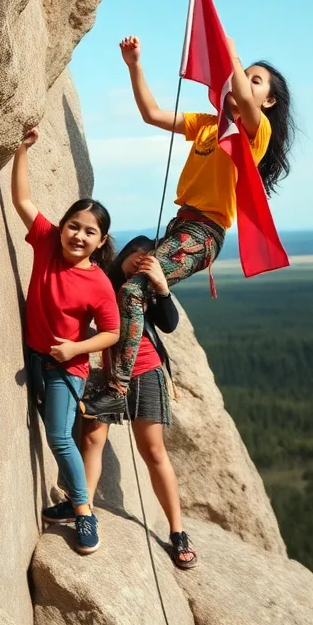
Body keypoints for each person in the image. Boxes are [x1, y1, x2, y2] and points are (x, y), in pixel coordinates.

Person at [11, 128, 120, 555]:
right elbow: (22, 200)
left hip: (64, 367)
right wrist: (21, 150)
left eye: (89, 232)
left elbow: (112, 333)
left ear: (101, 241)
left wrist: (76, 348)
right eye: (73, 226)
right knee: (52, 432)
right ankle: (72, 505)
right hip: (36, 358)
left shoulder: (99, 285)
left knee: (59, 436)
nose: (78, 235)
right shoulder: (46, 245)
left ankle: (83, 511)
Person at [119, 34, 295, 291]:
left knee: (133, 290)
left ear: (269, 101)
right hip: (180, 223)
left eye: (253, 81)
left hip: (204, 233)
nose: (242, 82)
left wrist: (231, 55)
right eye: (241, 75)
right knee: (122, 269)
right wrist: (134, 65)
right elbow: (152, 114)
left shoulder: (256, 133)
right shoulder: (207, 123)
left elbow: (246, 100)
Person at [79, 236, 197, 569]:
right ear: (125, 254)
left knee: (154, 451)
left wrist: (160, 284)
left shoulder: (145, 286)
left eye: (149, 257)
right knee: (92, 437)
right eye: (137, 254)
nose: (141, 260)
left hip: (146, 371)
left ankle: (178, 533)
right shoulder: (105, 281)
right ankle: (83, 510)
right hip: (111, 373)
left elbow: (169, 324)